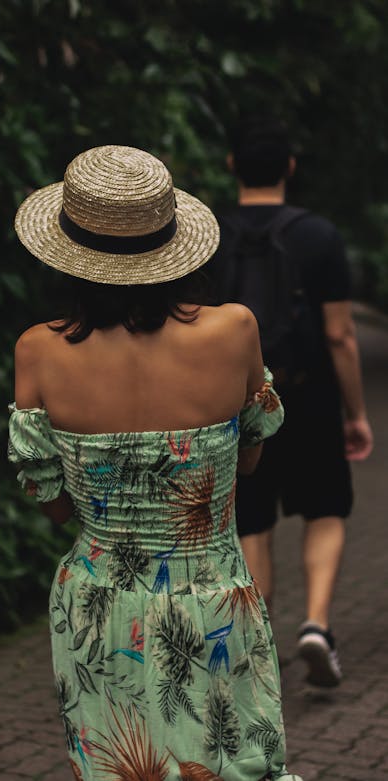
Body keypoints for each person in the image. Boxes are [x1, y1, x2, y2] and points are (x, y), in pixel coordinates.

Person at [7, 145, 302, 781]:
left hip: (98, 602)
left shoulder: (36, 351)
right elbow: (249, 460)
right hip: (211, 594)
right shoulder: (235, 330)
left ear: (68, 256)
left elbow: (55, 504)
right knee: (234, 765)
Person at [205, 118, 373, 687]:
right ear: (290, 168)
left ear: (232, 164)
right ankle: (317, 626)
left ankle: (256, 637)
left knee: (251, 520)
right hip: (310, 396)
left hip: (238, 400)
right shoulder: (319, 235)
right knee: (325, 509)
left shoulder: (208, 235)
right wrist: (356, 414)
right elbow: (340, 336)